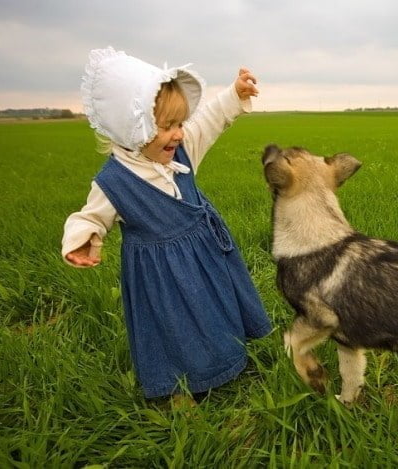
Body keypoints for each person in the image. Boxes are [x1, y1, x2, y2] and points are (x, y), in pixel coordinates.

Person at [62, 47, 272, 403]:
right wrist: (83, 238)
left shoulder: (183, 149)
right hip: (160, 276)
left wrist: (234, 95)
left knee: (214, 307)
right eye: (167, 126)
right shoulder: (114, 181)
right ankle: (178, 388)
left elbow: (209, 120)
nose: (178, 134)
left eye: (179, 123)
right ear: (134, 128)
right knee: (174, 327)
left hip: (205, 254)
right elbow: (91, 216)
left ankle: (226, 359)